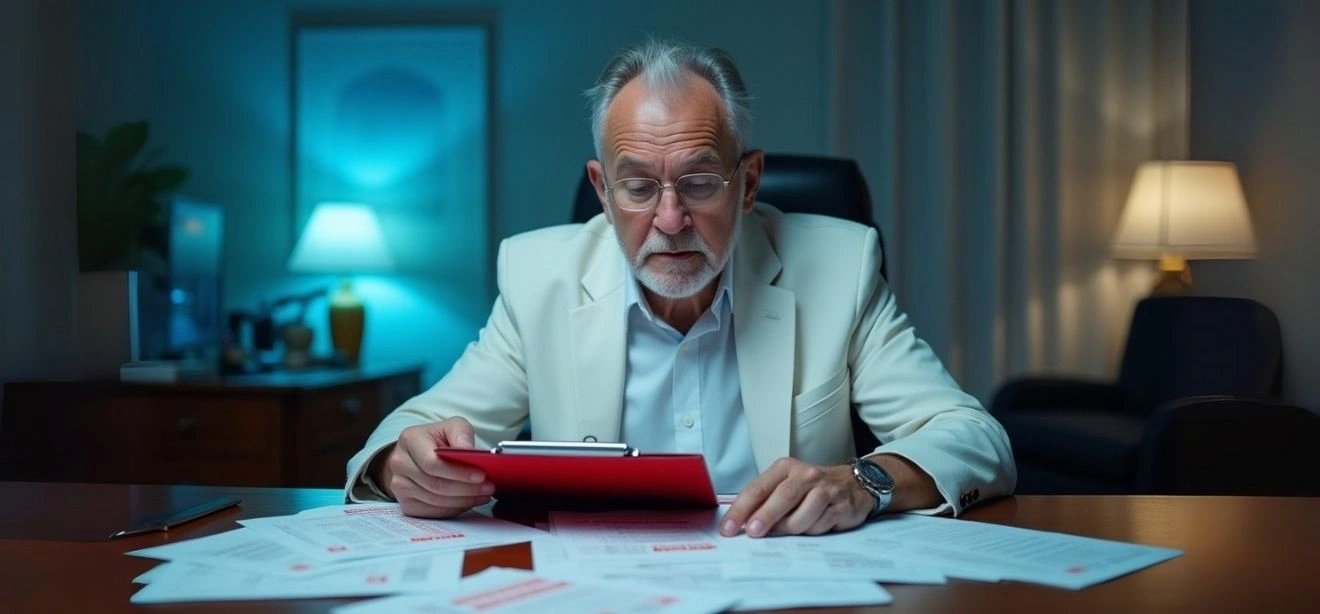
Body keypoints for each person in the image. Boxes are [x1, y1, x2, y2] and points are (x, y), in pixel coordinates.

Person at [345, 39, 1016, 538]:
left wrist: (865, 482)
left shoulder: (838, 268)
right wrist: (405, 465)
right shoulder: (538, 276)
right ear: (603, 192)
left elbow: (974, 439)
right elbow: (403, 434)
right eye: (638, 187)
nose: (670, 221)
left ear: (748, 183)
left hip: (789, 593)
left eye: (699, 182)